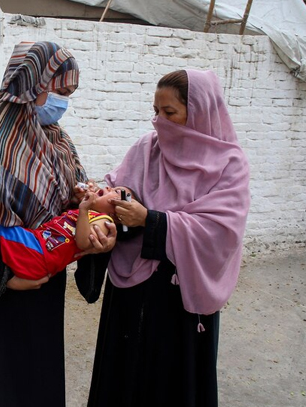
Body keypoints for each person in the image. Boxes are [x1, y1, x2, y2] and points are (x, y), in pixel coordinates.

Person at [0, 41, 116, 407]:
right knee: (1, 387)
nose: (64, 103)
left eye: (70, 94)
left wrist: (97, 228)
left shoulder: (58, 141)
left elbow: (75, 203)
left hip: (44, 288)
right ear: (32, 84)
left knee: (40, 383)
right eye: (61, 91)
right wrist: (4, 280)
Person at [78, 69, 251, 406]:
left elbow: (221, 234)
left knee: (170, 384)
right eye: (155, 111)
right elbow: (117, 189)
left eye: (169, 112)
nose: (159, 121)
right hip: (130, 291)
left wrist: (152, 220)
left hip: (179, 299)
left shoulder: (229, 165)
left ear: (199, 112)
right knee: (122, 377)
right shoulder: (146, 148)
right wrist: (104, 202)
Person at [0, 185, 130, 298]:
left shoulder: (104, 222)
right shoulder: (92, 213)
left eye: (116, 194)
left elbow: (84, 243)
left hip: (37, 253)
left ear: (119, 213)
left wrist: (84, 210)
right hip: (37, 246)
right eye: (112, 187)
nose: (109, 189)